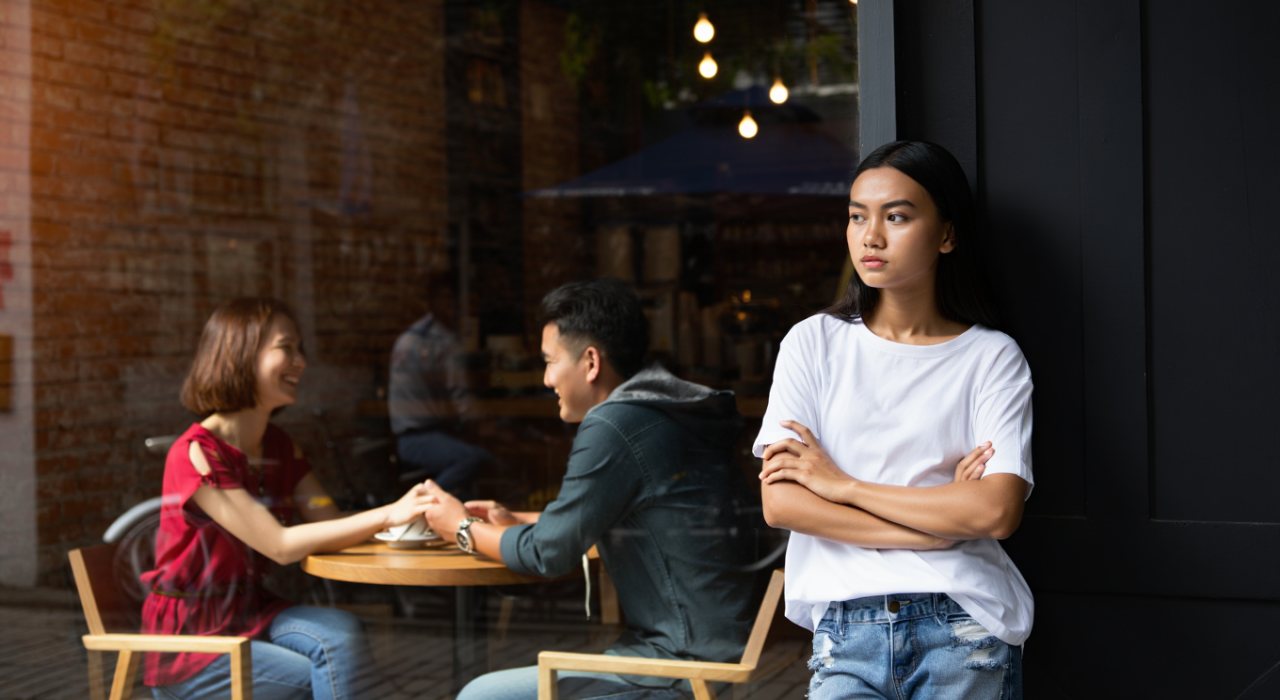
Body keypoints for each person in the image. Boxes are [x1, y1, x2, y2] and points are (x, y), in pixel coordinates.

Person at [756, 140, 1034, 698]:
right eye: (858, 216)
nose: (870, 236)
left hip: (963, 624)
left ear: (947, 234)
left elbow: (995, 510)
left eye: (897, 216)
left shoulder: (991, 357)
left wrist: (842, 485)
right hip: (845, 632)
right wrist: (932, 533)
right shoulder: (813, 344)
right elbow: (782, 503)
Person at [423, 278, 760, 700]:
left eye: (550, 361)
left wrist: (460, 526)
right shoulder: (663, 410)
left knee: (481, 696)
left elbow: (547, 553)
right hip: (710, 654)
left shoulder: (615, 424)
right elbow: (637, 515)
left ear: (590, 362)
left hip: (677, 668)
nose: (546, 379)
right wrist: (528, 521)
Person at [140, 297, 436, 700]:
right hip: (192, 642)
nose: (301, 361)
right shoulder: (197, 454)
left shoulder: (278, 445)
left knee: (343, 633)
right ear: (240, 353)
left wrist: (418, 520)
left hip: (248, 613)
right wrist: (388, 514)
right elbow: (279, 546)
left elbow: (324, 517)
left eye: (300, 349)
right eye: (286, 347)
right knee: (332, 666)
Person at [387, 274, 491, 498]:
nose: (452, 306)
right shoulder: (440, 341)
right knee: (477, 458)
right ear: (431, 302)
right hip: (421, 436)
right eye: (446, 299)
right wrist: (487, 425)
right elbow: (461, 397)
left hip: (413, 435)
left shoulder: (414, 336)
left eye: (455, 300)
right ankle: (424, 505)